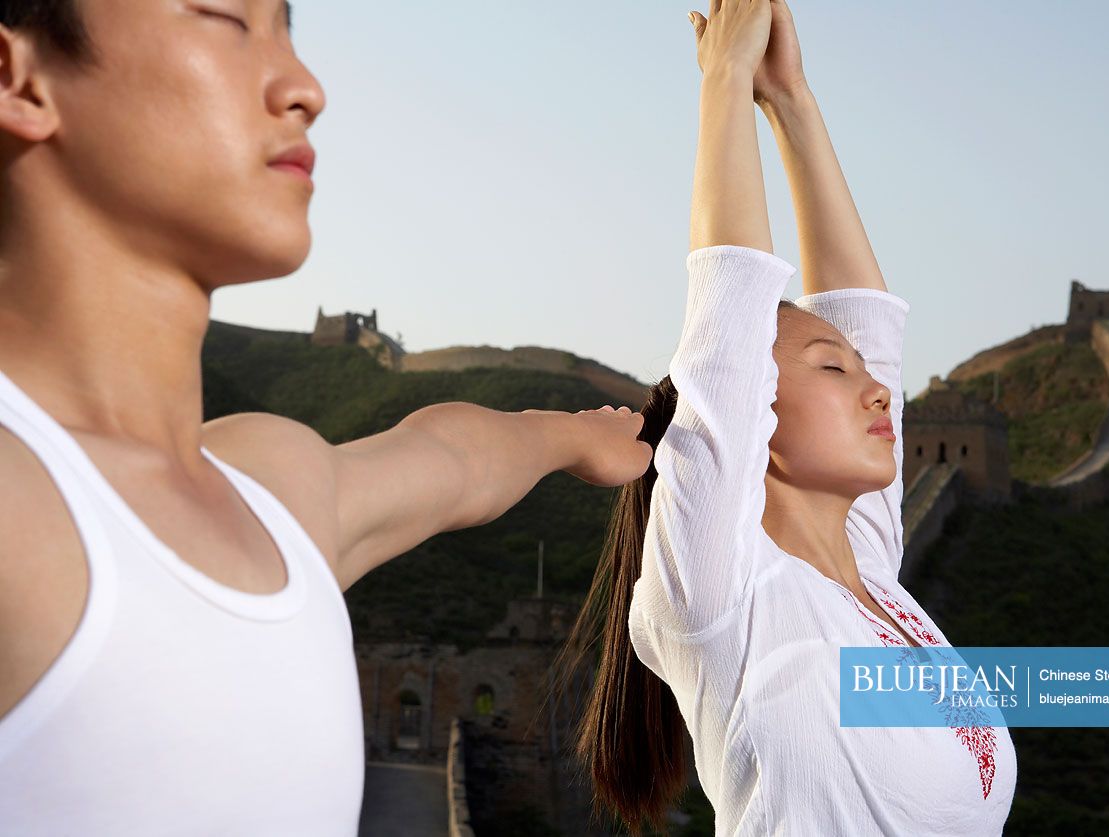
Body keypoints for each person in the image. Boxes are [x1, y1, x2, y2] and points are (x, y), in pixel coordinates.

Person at [0, 1, 651, 833]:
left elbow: (458, 456)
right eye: (224, 17)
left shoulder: (273, 490)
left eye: (289, 29)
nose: (306, 87)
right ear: (16, 77)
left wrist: (578, 435)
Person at [549, 0, 1017, 833]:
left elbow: (863, 310)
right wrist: (722, 81)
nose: (877, 391)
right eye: (833, 370)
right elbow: (728, 311)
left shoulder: (868, 572)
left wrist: (791, 100)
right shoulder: (724, 596)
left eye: (867, 372)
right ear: (753, 417)